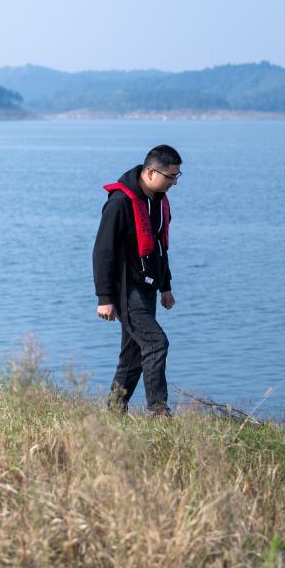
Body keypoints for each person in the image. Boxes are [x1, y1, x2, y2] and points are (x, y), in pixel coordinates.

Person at [92, 145, 182, 415]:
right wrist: (104, 298)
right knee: (156, 342)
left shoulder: (157, 200)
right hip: (124, 290)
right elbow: (102, 251)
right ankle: (158, 412)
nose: (174, 182)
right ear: (151, 172)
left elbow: (159, 246)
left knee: (133, 355)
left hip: (148, 287)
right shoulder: (120, 202)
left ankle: (114, 412)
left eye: (178, 176)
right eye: (170, 177)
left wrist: (166, 287)